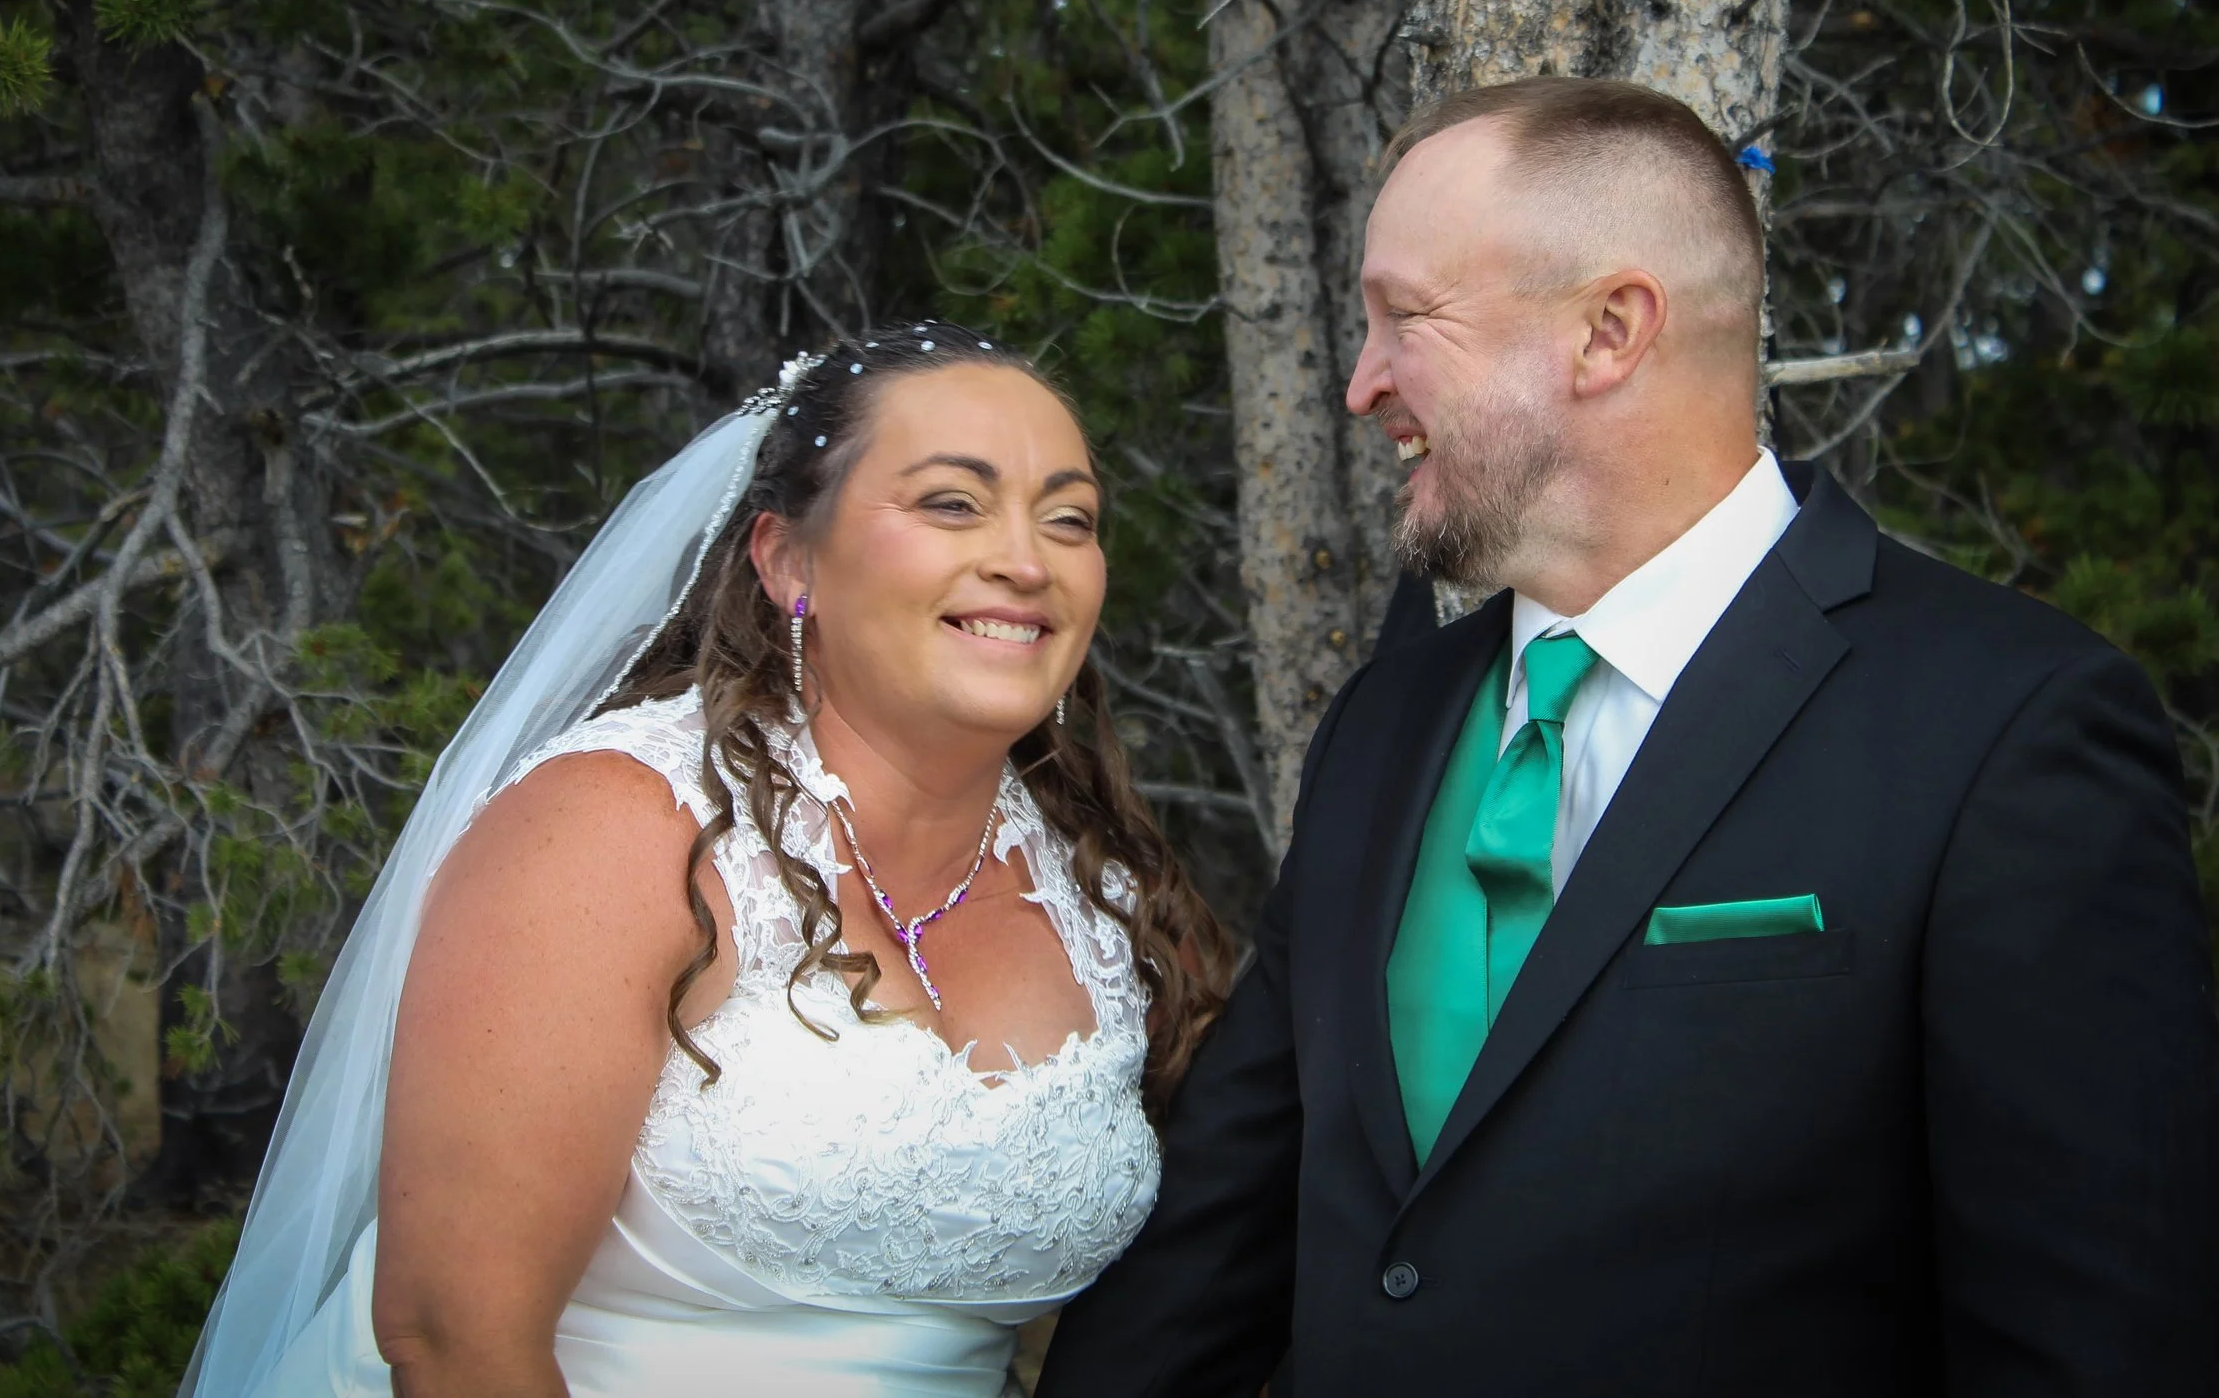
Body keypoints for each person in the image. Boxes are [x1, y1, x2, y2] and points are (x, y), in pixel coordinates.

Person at [1039, 77, 2219, 1396]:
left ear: (1610, 328)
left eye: (1404, 318)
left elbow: (2094, 1342)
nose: (1364, 380)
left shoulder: (2009, 726)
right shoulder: (1390, 719)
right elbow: (1219, 1235)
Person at [178, 323, 1228, 1398]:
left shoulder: (1105, 894)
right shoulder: (614, 828)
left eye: (1070, 517)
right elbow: (452, 1334)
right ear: (785, 559)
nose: (1026, 557)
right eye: (951, 502)